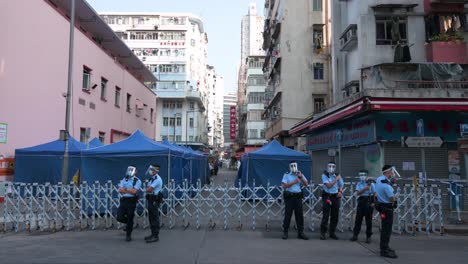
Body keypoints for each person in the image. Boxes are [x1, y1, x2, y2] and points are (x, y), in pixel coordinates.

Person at [281, 161, 308, 240]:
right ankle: (285, 232)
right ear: (290, 167)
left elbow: (306, 184)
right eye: (292, 166)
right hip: (290, 197)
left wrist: (301, 177)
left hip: (298, 197)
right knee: (288, 215)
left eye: (295, 165)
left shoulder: (300, 174)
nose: (293, 167)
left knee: (299, 215)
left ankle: (301, 233)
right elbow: (284, 186)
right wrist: (294, 182)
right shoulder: (286, 175)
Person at [375, 165, 398, 259]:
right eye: (392, 171)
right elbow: (391, 197)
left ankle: (385, 247)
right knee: (386, 230)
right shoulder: (386, 186)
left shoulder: (380, 179)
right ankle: (384, 250)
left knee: (385, 229)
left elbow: (384, 185)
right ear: (388, 172)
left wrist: (391, 183)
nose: (393, 173)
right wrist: (395, 202)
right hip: (387, 208)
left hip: (381, 206)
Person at [320, 161, 344, 240]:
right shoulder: (324, 175)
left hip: (335, 196)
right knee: (326, 215)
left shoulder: (337, 175)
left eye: (333, 167)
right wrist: (336, 179)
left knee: (335, 215)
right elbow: (329, 186)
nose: (331, 168)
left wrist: (340, 191)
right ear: (327, 167)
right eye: (329, 166)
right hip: (327, 196)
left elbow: (341, 185)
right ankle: (323, 232)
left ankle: (332, 232)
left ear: (335, 168)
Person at [350, 170, 376, 243]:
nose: (362, 176)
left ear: (367, 176)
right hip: (361, 201)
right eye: (360, 175)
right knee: (358, 219)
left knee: (368, 221)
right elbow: (358, 193)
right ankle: (355, 235)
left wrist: (374, 202)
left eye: (363, 175)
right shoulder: (359, 184)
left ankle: (368, 236)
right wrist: (365, 188)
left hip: (369, 201)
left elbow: (374, 194)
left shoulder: (371, 184)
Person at [117, 166, 142, 242]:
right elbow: (119, 190)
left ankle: (128, 234)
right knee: (119, 216)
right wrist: (128, 190)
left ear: (135, 172)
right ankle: (129, 224)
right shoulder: (125, 179)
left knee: (130, 216)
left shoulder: (137, 181)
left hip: (131, 201)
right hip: (124, 200)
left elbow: (134, 191)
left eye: (132, 171)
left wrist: (125, 189)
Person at [144, 164, 163, 243]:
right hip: (150, 199)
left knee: (155, 218)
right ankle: (152, 234)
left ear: (155, 171)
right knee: (151, 217)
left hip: (154, 200)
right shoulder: (152, 178)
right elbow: (148, 189)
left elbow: (149, 189)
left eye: (152, 170)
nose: (150, 171)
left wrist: (147, 189)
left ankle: (155, 236)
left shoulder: (157, 179)